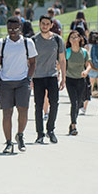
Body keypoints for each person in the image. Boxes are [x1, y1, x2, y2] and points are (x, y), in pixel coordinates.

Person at [0, 17, 38, 153]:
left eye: (15, 28)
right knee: (7, 113)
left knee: (23, 110)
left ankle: (20, 135)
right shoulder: (1, 43)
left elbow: (33, 62)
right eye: (10, 29)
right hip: (6, 82)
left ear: (20, 28)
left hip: (22, 81)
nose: (12, 31)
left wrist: (29, 78)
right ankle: (8, 142)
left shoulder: (27, 43)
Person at [31, 15, 66, 144]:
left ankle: (50, 130)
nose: (44, 26)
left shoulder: (57, 40)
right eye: (42, 23)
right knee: (38, 106)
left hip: (52, 76)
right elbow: (29, 61)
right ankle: (40, 134)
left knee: (55, 103)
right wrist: (30, 78)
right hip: (37, 77)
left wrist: (63, 78)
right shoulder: (33, 40)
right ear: (39, 24)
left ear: (51, 25)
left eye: (47, 24)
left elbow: (62, 60)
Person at [64, 30, 91, 136]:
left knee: (79, 103)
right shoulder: (68, 52)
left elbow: (89, 65)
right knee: (74, 102)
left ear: (80, 39)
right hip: (70, 79)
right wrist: (59, 75)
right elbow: (62, 64)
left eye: (76, 37)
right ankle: (74, 126)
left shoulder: (84, 52)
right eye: (72, 38)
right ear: (69, 40)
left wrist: (86, 71)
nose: (74, 39)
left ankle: (72, 123)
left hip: (81, 80)